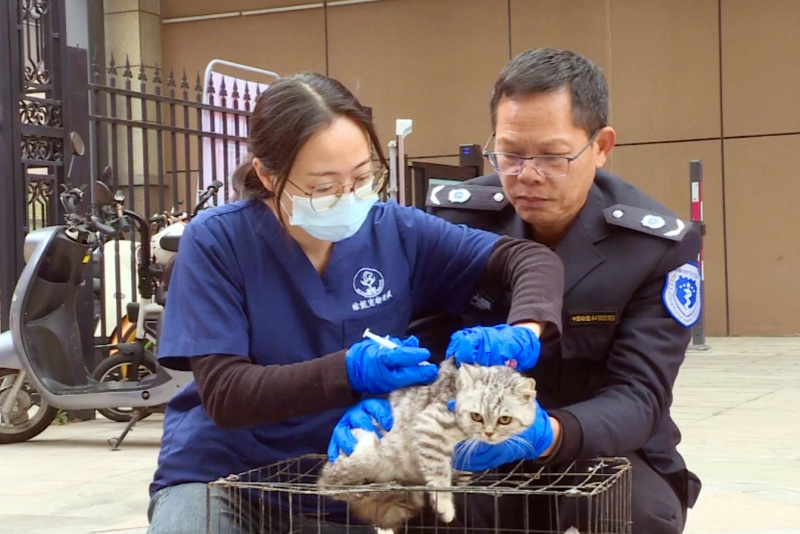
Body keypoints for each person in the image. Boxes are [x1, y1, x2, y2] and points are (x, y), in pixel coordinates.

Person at [146, 71, 564, 533]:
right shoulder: (218, 241)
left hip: (339, 489)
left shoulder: (396, 232)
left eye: (363, 177)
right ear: (267, 175)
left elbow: (527, 259)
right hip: (222, 478)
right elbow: (227, 394)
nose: (349, 197)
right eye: (323, 187)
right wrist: (349, 372)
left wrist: (524, 332)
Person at [408, 48, 702, 533]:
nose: (527, 174)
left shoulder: (653, 247)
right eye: (510, 153)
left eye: (551, 156)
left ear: (601, 146)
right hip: (478, 436)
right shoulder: (456, 221)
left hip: (600, 445)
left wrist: (549, 434)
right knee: (425, 503)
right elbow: (425, 347)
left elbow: (640, 395)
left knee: (631, 515)